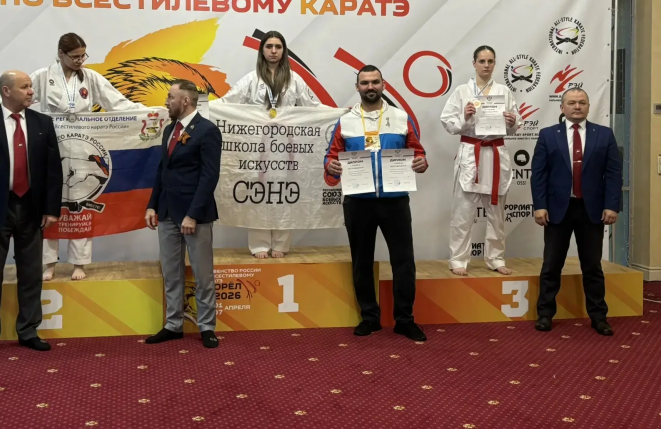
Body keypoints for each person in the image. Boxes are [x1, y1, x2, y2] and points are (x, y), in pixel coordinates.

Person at [0, 33, 146, 281]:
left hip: (83, 145)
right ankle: (49, 262)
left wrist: (152, 113)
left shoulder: (91, 78)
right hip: (48, 143)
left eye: (83, 56)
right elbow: (6, 100)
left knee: (79, 202)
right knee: (48, 203)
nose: (80, 61)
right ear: (61, 54)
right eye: (75, 56)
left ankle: (79, 263)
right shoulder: (43, 77)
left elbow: (119, 103)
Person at [0, 71, 63, 357]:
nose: (31, 92)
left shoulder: (43, 123)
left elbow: (53, 170)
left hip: (32, 208)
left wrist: (51, 208)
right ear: (6, 91)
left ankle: (28, 330)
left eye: (31, 87)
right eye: (25, 87)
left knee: (31, 273)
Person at [324, 65, 429, 341]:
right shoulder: (346, 121)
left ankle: (405, 320)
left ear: (384, 85)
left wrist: (421, 162)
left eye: (375, 82)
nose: (370, 86)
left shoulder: (401, 117)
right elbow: (331, 156)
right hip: (358, 202)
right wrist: (331, 166)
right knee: (362, 262)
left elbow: (418, 153)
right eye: (365, 83)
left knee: (403, 261)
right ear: (357, 87)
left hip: (395, 201)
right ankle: (369, 317)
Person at [221, 31, 320, 259]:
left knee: (285, 192)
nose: (273, 51)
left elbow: (313, 107)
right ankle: (259, 245)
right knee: (258, 193)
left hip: (287, 146)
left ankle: (281, 244)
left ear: (284, 51)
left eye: (278, 46)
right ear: (262, 50)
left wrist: (338, 113)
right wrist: (201, 107)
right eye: (269, 46)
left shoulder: (295, 80)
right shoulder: (251, 79)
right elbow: (227, 103)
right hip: (257, 147)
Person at [532, 88, 621, 336]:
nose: (577, 107)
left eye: (582, 102)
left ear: (589, 107)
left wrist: (612, 205)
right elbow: (538, 174)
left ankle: (599, 317)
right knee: (551, 265)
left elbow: (614, 173)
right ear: (562, 108)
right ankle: (545, 314)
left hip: (592, 210)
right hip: (557, 210)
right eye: (572, 103)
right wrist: (540, 205)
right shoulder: (548, 135)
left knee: (592, 266)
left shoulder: (604, 134)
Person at [145, 80, 222, 349]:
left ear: (185, 101)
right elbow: (162, 171)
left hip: (194, 215)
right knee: (171, 273)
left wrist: (193, 215)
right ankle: (173, 325)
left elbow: (209, 176)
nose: (166, 102)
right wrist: (152, 205)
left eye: (170, 97)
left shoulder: (208, 131)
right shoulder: (170, 130)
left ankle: (207, 327)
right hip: (167, 212)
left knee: (203, 275)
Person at [440, 46, 520, 276]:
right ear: (474, 63)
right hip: (471, 152)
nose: (486, 65)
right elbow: (447, 122)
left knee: (497, 211)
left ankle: (496, 258)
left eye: (490, 61)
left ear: (494, 64)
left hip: (495, 152)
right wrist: (464, 117)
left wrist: (512, 121)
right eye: (482, 61)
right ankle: (458, 259)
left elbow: (516, 124)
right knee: (463, 211)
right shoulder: (462, 91)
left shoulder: (504, 91)